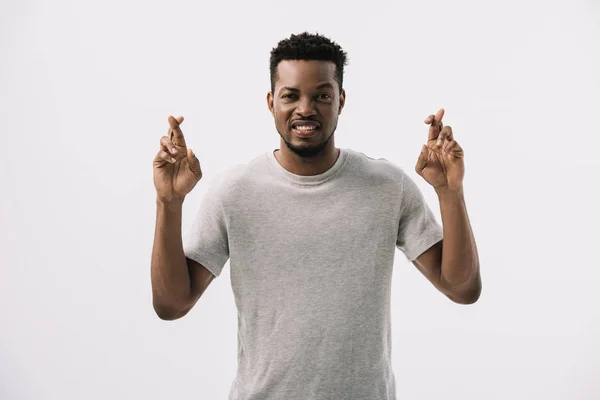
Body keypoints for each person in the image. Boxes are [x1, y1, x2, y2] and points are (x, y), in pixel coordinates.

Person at [151, 32, 482, 400]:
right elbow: (171, 304)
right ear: (270, 102)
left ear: (340, 100)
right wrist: (169, 201)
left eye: (322, 96)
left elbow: (462, 287)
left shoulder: (388, 187)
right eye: (290, 95)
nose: (305, 108)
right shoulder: (235, 192)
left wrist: (449, 192)